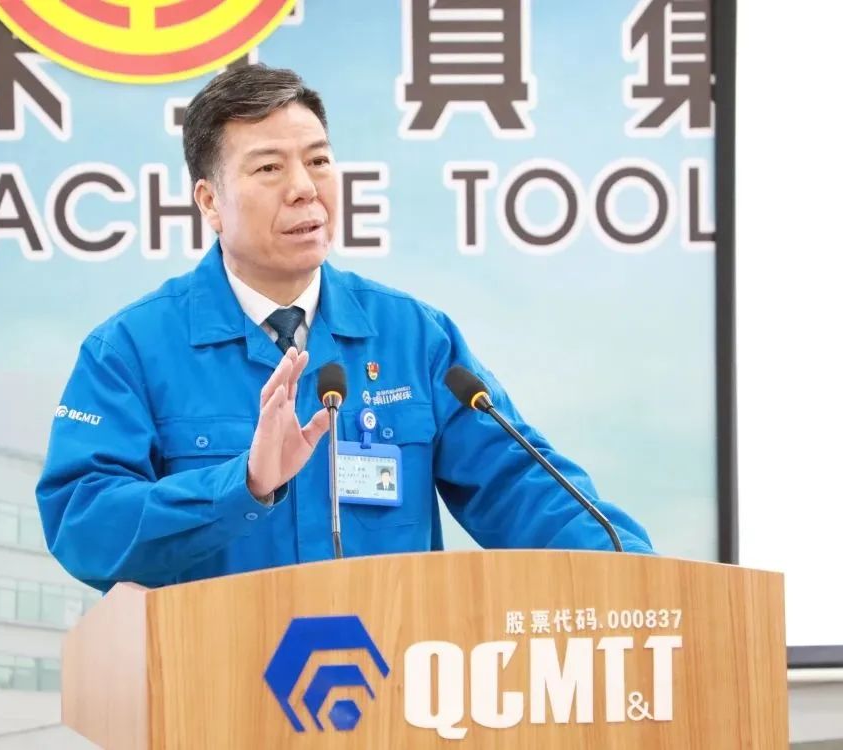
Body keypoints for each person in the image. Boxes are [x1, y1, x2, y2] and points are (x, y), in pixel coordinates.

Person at [36, 65, 653, 593]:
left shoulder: (413, 337)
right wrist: (242, 485)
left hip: (392, 680)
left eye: (318, 161)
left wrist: (642, 577)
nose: (305, 189)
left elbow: (519, 484)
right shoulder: (131, 351)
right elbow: (83, 527)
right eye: (269, 168)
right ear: (209, 202)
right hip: (217, 681)